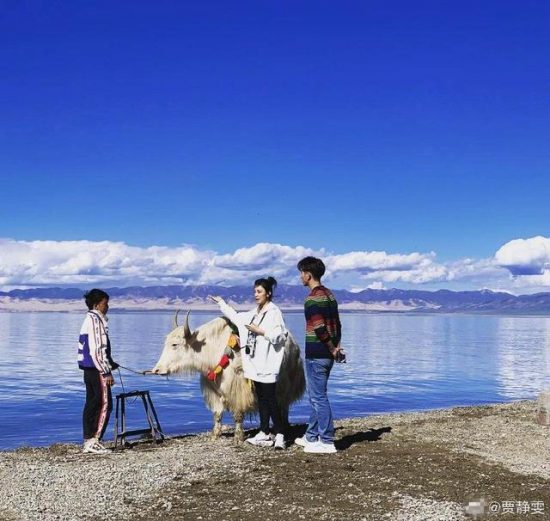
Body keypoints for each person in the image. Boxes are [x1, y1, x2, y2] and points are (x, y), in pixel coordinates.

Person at [209, 277, 288, 449]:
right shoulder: (254, 313)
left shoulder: (274, 312)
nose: (256, 295)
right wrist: (222, 303)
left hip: (267, 364)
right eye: (255, 291)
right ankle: (264, 432)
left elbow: (281, 336)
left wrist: (261, 331)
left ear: (268, 293)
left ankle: (280, 434)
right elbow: (236, 317)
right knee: (261, 398)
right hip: (255, 364)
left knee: (271, 399)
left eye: (259, 292)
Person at [294, 257, 344, 454]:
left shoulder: (312, 298)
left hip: (317, 354)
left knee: (318, 397)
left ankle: (327, 440)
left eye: (301, 273)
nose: (300, 277)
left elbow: (319, 327)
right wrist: (336, 347)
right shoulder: (330, 295)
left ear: (308, 274)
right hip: (328, 354)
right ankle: (311, 436)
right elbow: (337, 325)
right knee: (316, 397)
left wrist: (332, 348)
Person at [77, 289, 118, 454]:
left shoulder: (91, 319)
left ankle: (88, 440)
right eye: (105, 303)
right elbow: (96, 349)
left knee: (92, 403)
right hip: (97, 370)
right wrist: (106, 370)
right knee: (104, 404)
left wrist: (111, 362)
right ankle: (93, 440)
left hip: (90, 369)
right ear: (96, 305)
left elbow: (95, 349)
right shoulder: (95, 320)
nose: (107, 307)